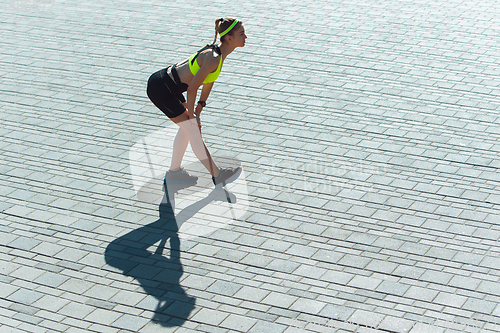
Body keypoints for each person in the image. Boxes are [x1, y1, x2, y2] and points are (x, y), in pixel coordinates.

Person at [147, 18, 246, 189]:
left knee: (188, 128)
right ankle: (218, 175)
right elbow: (192, 89)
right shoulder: (213, 57)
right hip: (161, 88)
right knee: (192, 129)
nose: (246, 37)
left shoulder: (219, 55)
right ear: (229, 38)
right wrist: (193, 115)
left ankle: (174, 174)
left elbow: (209, 80)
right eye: (242, 34)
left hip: (172, 87)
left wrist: (201, 105)